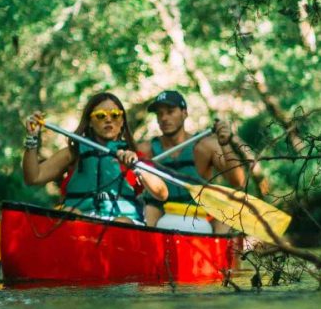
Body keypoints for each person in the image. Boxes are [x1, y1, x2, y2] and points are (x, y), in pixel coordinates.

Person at [21, 92, 168, 223]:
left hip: (122, 222)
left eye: (115, 115)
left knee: (122, 222)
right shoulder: (74, 152)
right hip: (83, 220)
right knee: (69, 213)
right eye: (100, 115)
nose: (108, 119)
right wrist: (32, 137)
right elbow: (33, 177)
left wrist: (137, 167)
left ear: (122, 121)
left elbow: (162, 194)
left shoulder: (133, 155)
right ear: (90, 122)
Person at [140, 89, 254, 232]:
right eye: (160, 114)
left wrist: (226, 144)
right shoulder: (146, 149)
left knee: (226, 216)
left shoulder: (204, 146)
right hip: (162, 212)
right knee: (148, 210)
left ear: (184, 113)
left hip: (200, 213)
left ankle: (216, 246)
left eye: (170, 111)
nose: (164, 118)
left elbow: (238, 182)